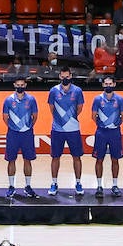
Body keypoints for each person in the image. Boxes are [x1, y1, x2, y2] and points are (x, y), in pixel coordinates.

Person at [47, 65, 84, 195]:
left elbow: (79, 108)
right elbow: (51, 108)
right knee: (55, 157)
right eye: (63, 77)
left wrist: (70, 120)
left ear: (71, 76)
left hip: (73, 129)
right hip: (57, 129)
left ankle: (78, 182)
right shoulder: (53, 91)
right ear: (59, 77)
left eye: (67, 77)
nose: (65, 79)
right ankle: (54, 183)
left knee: (77, 157)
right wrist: (60, 120)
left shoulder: (78, 91)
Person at [89, 75, 123, 197]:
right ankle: (99, 186)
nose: (108, 86)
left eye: (110, 84)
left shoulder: (120, 99)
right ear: (103, 85)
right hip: (101, 132)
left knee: (115, 159)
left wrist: (117, 123)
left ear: (114, 85)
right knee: (99, 159)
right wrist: (100, 124)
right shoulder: (97, 99)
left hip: (115, 132)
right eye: (106, 84)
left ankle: (115, 185)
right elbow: (93, 115)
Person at [2, 76, 39, 196]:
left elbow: (35, 115)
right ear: (14, 85)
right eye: (18, 85)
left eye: (22, 85)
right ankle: (11, 186)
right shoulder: (8, 100)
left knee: (27, 160)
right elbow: (5, 117)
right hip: (13, 134)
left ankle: (28, 186)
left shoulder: (31, 99)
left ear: (25, 85)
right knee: (11, 160)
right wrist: (14, 127)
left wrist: (27, 127)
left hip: (27, 134)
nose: (20, 87)